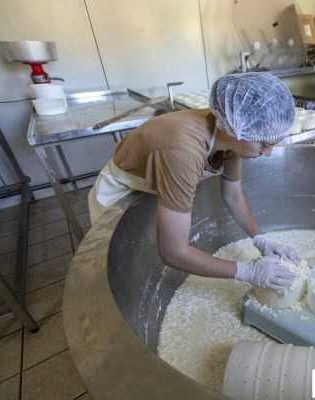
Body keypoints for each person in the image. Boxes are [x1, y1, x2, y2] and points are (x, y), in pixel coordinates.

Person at [88, 73, 300, 291]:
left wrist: (260, 240)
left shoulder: (233, 136)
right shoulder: (183, 152)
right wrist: (246, 272)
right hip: (120, 193)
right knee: (123, 270)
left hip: (154, 186)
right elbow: (172, 253)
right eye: (265, 144)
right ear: (238, 126)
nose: (267, 153)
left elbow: (233, 195)